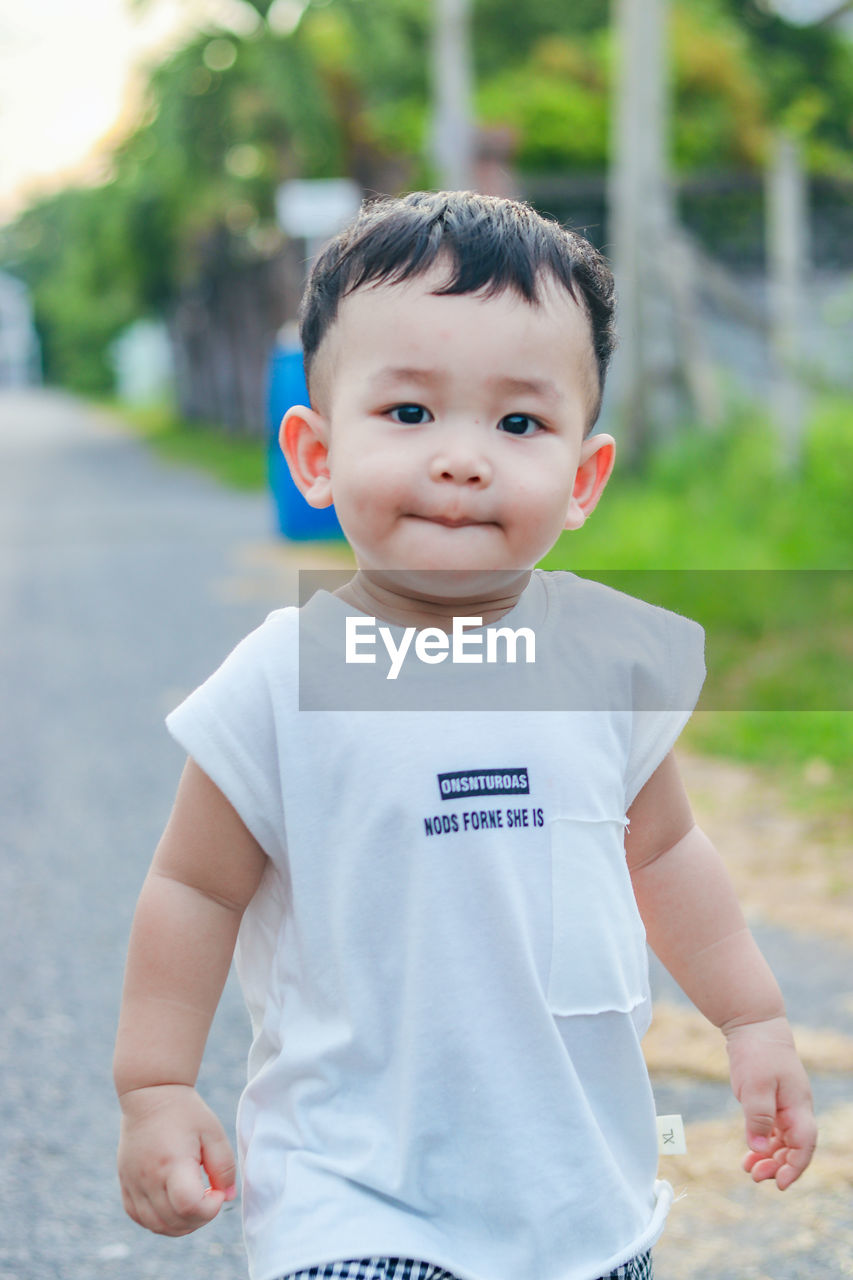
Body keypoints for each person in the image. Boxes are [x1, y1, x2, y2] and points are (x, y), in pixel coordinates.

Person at [113, 191, 816, 1280]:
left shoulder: (607, 661)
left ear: (583, 477)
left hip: (579, 1194)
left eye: (518, 423)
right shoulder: (278, 680)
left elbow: (664, 851)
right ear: (312, 452)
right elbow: (194, 888)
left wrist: (753, 1016)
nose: (461, 457)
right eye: (406, 414)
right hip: (354, 1187)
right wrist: (155, 1085)